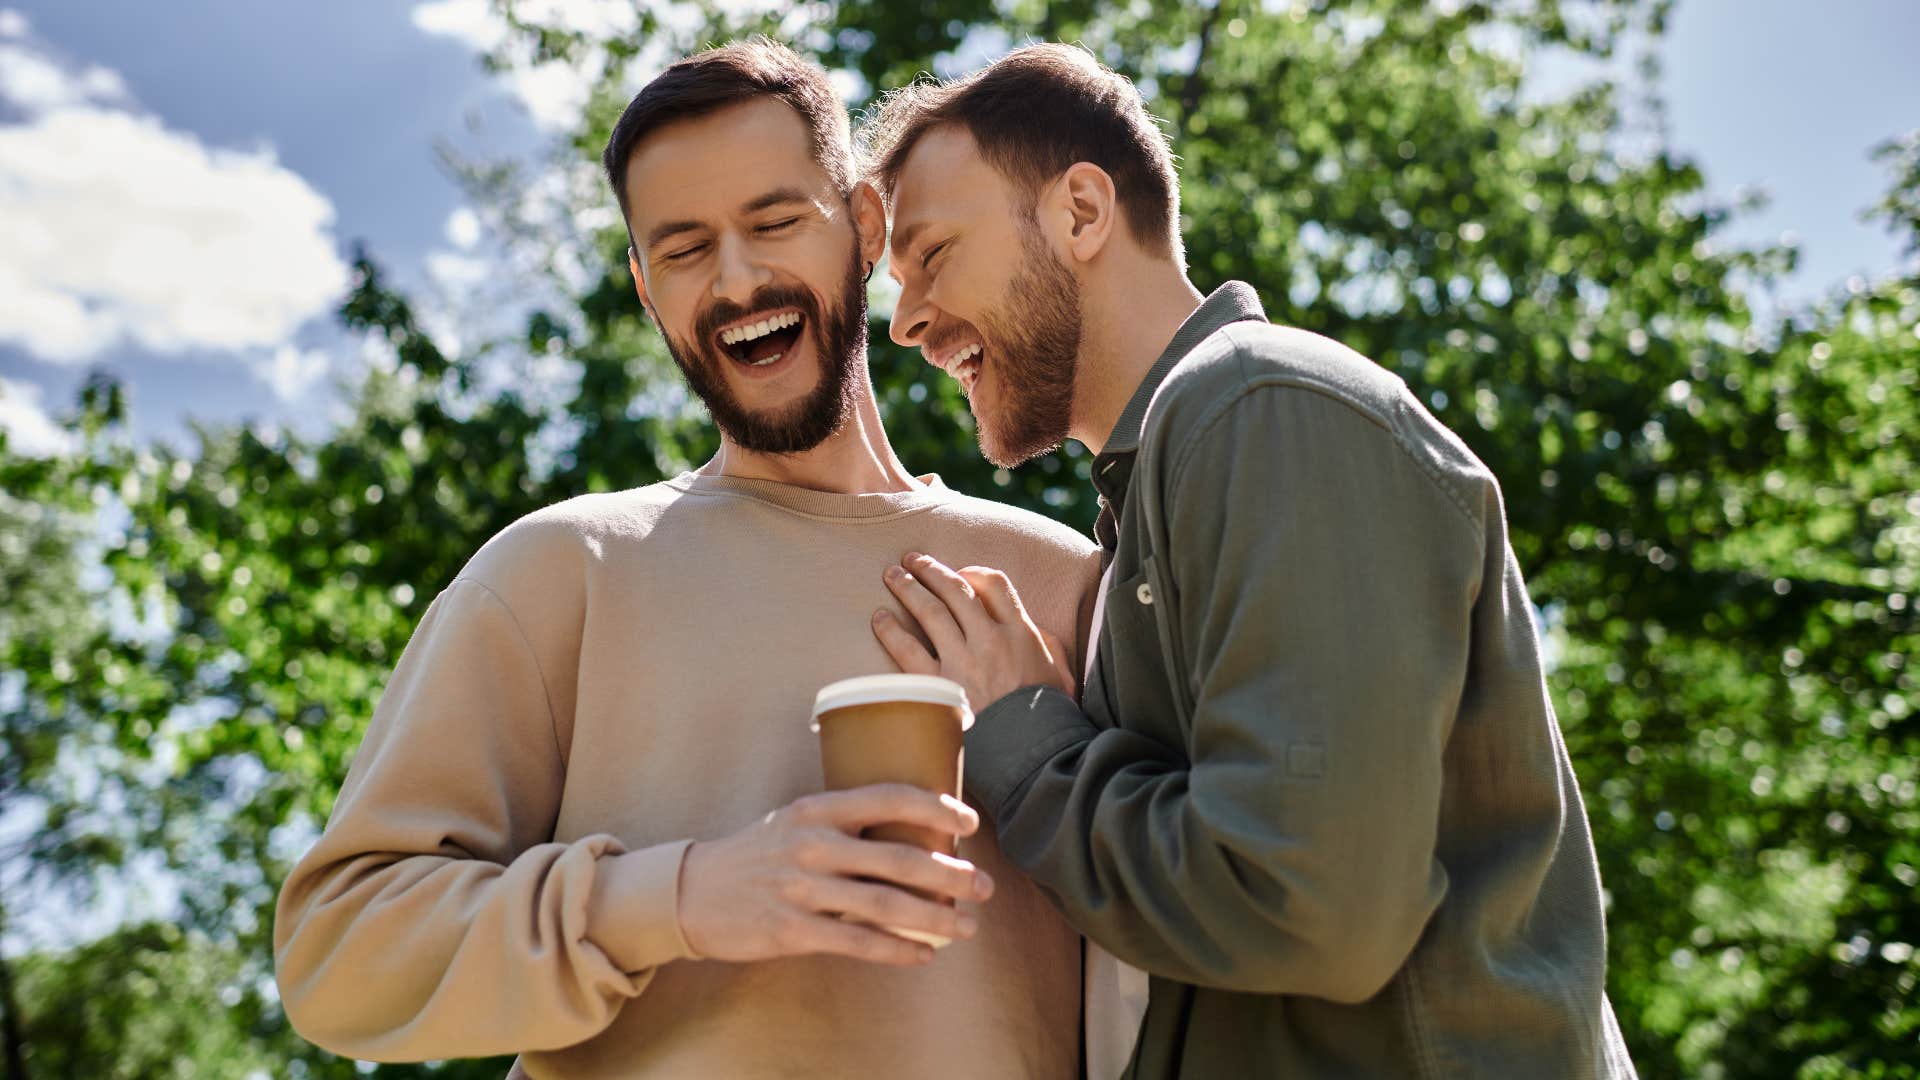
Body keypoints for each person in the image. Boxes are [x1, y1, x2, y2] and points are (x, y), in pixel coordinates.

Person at [274, 39, 1097, 1079]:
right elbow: (338, 961)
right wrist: (683, 897)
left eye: (774, 221)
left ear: (866, 224)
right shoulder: (560, 573)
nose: (738, 277)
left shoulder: (1064, 583)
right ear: (645, 289)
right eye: (685, 247)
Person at [861, 43, 1637, 1078]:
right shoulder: (1180, 472)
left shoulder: (1261, 408)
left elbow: (1306, 906)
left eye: (933, 253)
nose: (905, 320)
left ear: (1082, 213)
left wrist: (1029, 747)